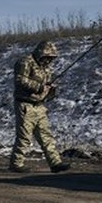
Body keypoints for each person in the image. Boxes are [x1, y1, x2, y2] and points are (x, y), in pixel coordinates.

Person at [9, 40, 71, 173]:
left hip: (40, 105)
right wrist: (39, 87)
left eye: (51, 58)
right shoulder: (25, 62)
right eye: (47, 57)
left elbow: (46, 83)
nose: (49, 60)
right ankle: (16, 164)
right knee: (24, 137)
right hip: (25, 105)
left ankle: (55, 163)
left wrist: (50, 89)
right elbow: (20, 80)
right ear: (41, 53)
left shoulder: (46, 68)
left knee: (46, 136)